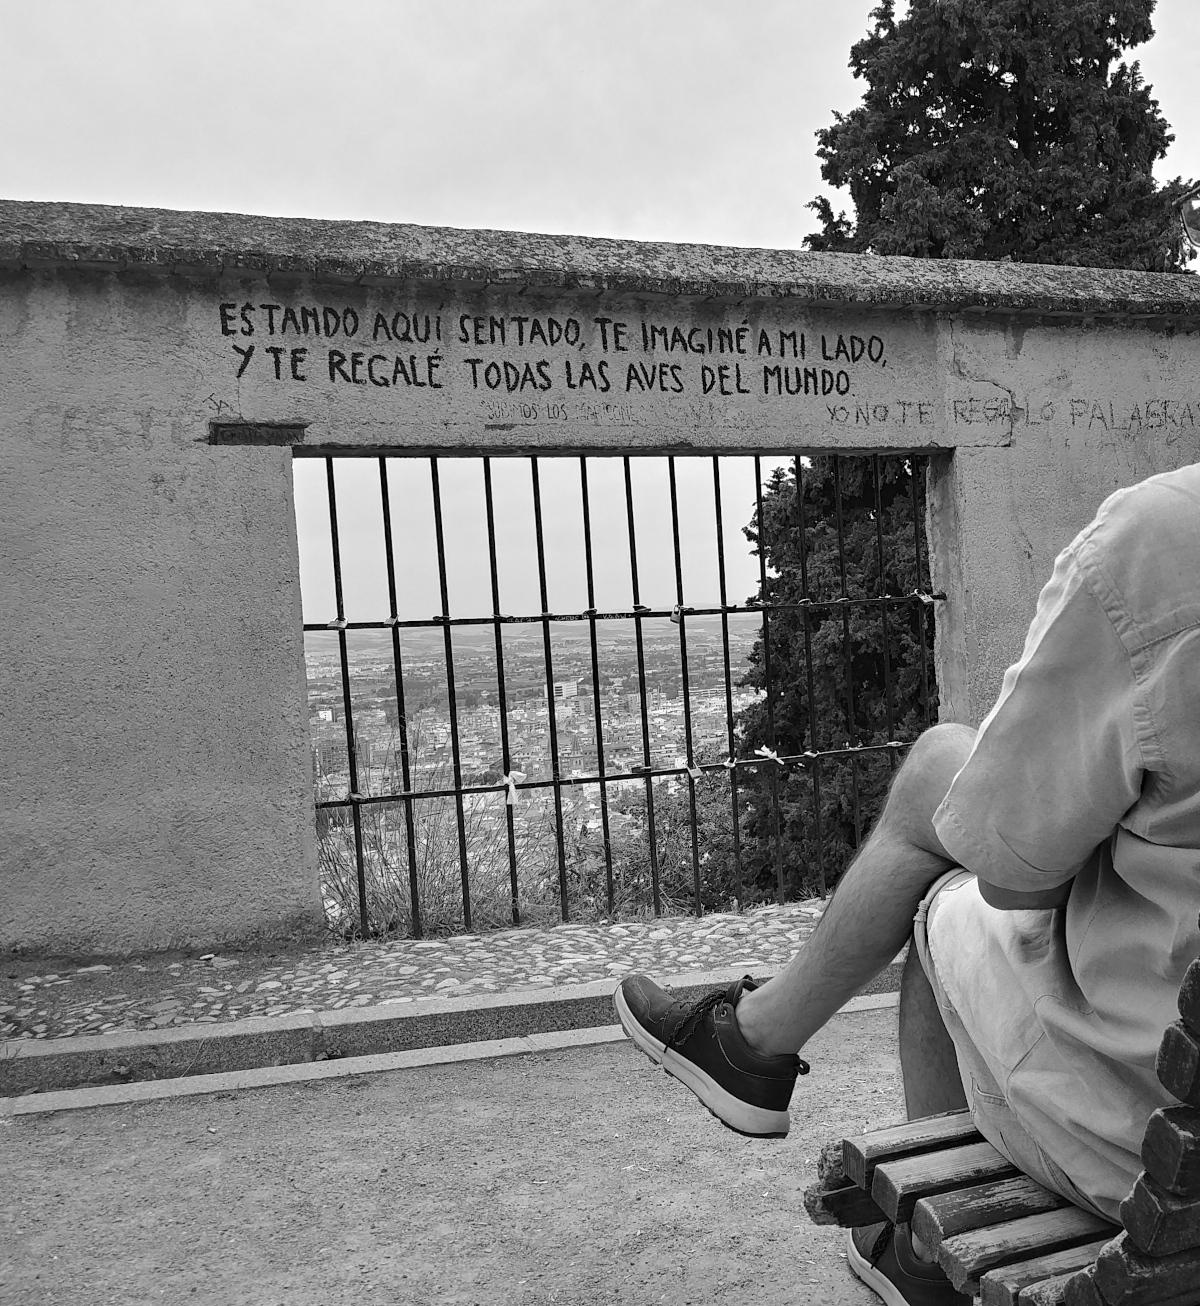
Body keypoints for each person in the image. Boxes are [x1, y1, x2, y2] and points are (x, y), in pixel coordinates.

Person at [614, 461, 1200, 1306]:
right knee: (946, 775)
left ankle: (917, 1249)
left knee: (945, 896)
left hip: (1163, 1155)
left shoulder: (1158, 543)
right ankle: (753, 1039)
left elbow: (1012, 884)